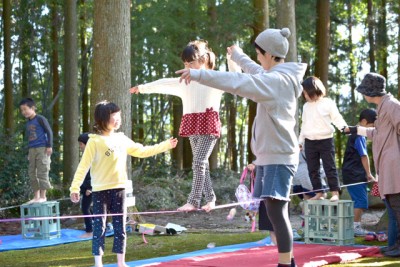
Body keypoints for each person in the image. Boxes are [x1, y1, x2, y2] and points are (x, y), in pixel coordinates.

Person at [177, 27, 307, 267]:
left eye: (258, 53)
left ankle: (286, 264)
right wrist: (238, 56)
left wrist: (200, 75)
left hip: (279, 155)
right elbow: (256, 71)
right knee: (271, 210)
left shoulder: (275, 81)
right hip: (270, 155)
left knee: (277, 211)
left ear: (268, 53)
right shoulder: (276, 75)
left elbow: (238, 81)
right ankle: (286, 262)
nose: (257, 57)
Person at [70, 100, 178, 267]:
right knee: (100, 227)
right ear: (104, 119)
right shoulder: (94, 141)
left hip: (119, 189)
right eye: (115, 116)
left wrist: (165, 145)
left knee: (120, 228)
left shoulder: (121, 138)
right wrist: (75, 187)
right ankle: (98, 264)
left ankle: (121, 263)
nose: (118, 119)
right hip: (100, 191)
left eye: (119, 116)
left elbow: (142, 151)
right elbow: (83, 166)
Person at [130, 40, 223, 212]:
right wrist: (142, 88)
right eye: (185, 63)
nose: (188, 66)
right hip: (192, 123)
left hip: (209, 123)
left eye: (191, 62)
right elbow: (163, 83)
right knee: (202, 164)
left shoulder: (214, 78)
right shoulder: (183, 81)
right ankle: (210, 198)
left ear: (202, 60)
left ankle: (194, 200)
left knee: (199, 162)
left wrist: (233, 59)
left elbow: (235, 77)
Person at [344, 72, 400, 257]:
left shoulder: (392, 105)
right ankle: (394, 245)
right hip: (387, 165)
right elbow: (378, 132)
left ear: (371, 91)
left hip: (395, 165)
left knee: (398, 208)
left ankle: (398, 246)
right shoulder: (383, 108)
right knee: (393, 208)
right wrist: (355, 130)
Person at [299, 76, 348, 201]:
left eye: (306, 93)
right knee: (312, 169)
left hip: (326, 140)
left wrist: (344, 128)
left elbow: (337, 118)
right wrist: (300, 141)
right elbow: (304, 124)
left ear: (313, 90)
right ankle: (319, 192)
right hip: (310, 141)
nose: (305, 95)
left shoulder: (328, 103)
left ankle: (335, 192)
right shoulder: (306, 107)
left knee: (329, 167)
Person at [342, 109, 377, 236]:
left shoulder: (354, 134)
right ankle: (355, 227)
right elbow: (363, 155)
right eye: (371, 126)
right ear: (363, 122)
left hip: (351, 173)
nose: (371, 130)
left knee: (358, 200)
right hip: (354, 174)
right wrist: (369, 173)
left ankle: (353, 225)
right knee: (361, 201)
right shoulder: (359, 135)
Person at [19, 97, 53, 204]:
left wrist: (49, 145)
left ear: (32, 108)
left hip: (42, 147)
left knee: (42, 170)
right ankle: (36, 196)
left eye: (25, 109)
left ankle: (43, 196)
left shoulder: (40, 119)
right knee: (32, 172)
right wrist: (29, 152)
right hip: (32, 149)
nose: (24, 112)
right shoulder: (28, 123)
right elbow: (29, 138)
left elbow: (49, 132)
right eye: (22, 110)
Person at [77, 132, 93, 238]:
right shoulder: (85, 155)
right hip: (85, 188)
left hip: (91, 188)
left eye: (81, 144)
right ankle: (94, 227)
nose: (80, 146)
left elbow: (95, 173)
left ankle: (89, 231)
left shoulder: (92, 155)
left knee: (85, 208)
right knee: (90, 209)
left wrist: (90, 187)